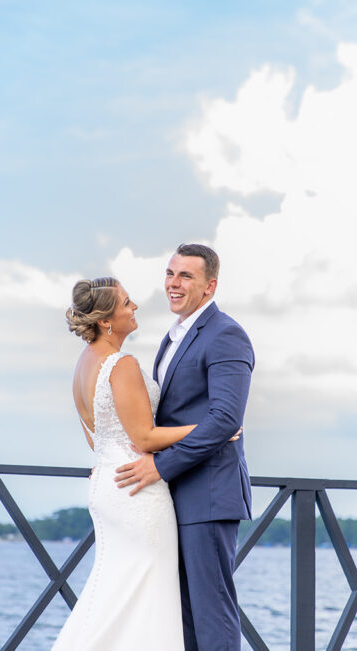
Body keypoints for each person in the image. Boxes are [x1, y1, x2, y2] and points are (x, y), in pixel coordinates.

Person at [55, 276, 238, 649]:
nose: (134, 307)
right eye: (126, 302)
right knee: (147, 594)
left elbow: (95, 435)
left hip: (109, 481)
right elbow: (144, 437)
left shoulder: (83, 364)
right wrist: (210, 428)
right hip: (138, 487)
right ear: (106, 320)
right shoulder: (120, 364)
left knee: (114, 591)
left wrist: (111, 457)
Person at [114, 243, 254, 651]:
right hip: (171, 498)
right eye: (170, 273)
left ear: (209, 286)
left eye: (186, 276)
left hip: (208, 495)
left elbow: (227, 420)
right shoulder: (172, 337)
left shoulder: (226, 334)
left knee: (211, 614)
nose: (173, 284)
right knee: (183, 618)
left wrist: (161, 466)